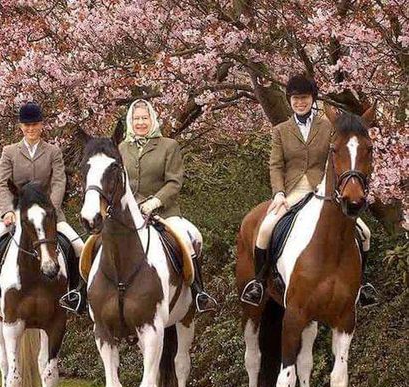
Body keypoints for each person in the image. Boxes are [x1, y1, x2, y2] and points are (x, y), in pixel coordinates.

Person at [241, 74, 377, 307]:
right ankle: (260, 282)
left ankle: (362, 285)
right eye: (295, 98)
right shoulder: (281, 130)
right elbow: (276, 165)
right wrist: (279, 193)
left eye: (304, 98)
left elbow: (339, 157)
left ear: (312, 99)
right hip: (293, 190)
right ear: (290, 101)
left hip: (321, 190)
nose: (300, 102)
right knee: (265, 229)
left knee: (365, 233)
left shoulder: (328, 127)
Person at [0, 102, 85, 317]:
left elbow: (59, 182)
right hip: (15, 212)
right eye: (27, 125)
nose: (31, 129)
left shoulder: (53, 152)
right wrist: (7, 210)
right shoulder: (9, 152)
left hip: (48, 214)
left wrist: (49, 210)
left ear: (42, 125)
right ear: (21, 127)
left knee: (79, 246)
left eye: (34, 124)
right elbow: (2, 183)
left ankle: (74, 294)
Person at [118, 99, 218, 313]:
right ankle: (86, 292)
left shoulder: (168, 146)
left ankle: (199, 292)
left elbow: (174, 181)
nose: (141, 123)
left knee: (186, 239)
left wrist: (156, 201)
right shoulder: (122, 148)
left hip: (164, 212)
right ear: (130, 121)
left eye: (145, 118)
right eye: (136, 119)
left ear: (152, 119)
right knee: (99, 240)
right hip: (130, 215)